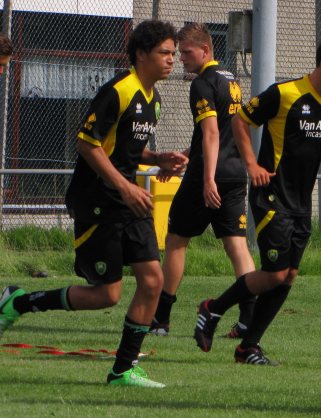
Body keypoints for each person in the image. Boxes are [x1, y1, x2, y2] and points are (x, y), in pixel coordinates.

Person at [0, 19, 187, 388]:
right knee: (106, 295)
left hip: (129, 201)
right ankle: (19, 302)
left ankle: (122, 370)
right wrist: (124, 186)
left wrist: (156, 158)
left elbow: (124, 150)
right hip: (98, 200)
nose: (172, 61)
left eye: (174, 54)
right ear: (141, 54)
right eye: (165, 53)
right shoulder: (118, 90)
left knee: (153, 280)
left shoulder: (155, 100)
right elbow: (88, 144)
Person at [192, 35, 321, 365]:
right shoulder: (285, 93)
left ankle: (248, 347)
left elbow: (312, 139)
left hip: (301, 199)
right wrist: (252, 163)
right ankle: (213, 309)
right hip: (271, 195)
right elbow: (242, 120)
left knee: (289, 275)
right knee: (274, 273)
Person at [149, 22, 256, 339]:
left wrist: (206, 178)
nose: (180, 58)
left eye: (186, 52)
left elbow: (211, 132)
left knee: (176, 240)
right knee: (236, 245)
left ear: (205, 50)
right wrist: (188, 154)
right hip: (236, 174)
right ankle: (248, 322)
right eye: (178, 53)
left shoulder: (203, 83)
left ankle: (161, 319)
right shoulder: (232, 81)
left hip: (207, 177)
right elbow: (225, 132)